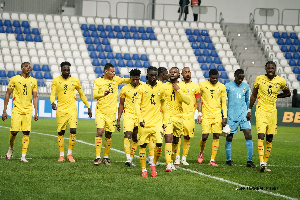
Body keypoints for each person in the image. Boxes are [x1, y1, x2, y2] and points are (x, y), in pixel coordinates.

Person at [247, 61, 291, 172]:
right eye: (268, 68)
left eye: (272, 68)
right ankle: (262, 162)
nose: (270, 70)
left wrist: (277, 96)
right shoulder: (259, 79)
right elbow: (253, 96)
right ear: (265, 69)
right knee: (261, 135)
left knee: (270, 138)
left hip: (272, 112)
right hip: (261, 110)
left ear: (275, 68)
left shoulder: (281, 81)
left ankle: (265, 163)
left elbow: (288, 93)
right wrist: (249, 110)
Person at [50, 61, 92, 162]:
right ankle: (61, 155)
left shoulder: (75, 80)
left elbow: (82, 94)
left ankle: (69, 154)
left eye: (68, 69)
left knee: (73, 130)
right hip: (61, 110)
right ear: (61, 70)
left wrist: (88, 107)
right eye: (64, 69)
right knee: (61, 132)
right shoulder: (56, 80)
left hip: (72, 110)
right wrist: (52, 102)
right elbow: (52, 93)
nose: (66, 71)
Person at [93, 63, 130, 165]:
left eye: (114, 71)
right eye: (112, 71)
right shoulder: (98, 81)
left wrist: (137, 80)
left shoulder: (116, 80)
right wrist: (103, 94)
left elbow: (127, 80)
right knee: (100, 132)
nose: (114, 73)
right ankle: (97, 157)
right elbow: (95, 94)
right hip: (100, 111)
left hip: (111, 113)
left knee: (109, 134)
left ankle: (106, 157)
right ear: (106, 71)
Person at [2, 62, 38, 162]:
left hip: (28, 110)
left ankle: (23, 156)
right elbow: (7, 94)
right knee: (14, 132)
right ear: (21, 68)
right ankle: (11, 148)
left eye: (30, 67)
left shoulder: (33, 81)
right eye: (26, 67)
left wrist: (36, 112)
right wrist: (4, 111)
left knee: (26, 132)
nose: (28, 68)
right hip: (17, 109)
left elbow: (35, 96)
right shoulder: (14, 79)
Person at [135, 66, 167, 177]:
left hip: (157, 122)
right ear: (147, 75)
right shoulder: (141, 88)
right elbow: (136, 104)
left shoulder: (161, 87)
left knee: (159, 144)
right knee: (143, 146)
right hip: (145, 123)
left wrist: (164, 120)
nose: (153, 77)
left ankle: (153, 164)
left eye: (155, 75)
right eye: (151, 75)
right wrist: (140, 119)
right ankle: (144, 169)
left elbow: (163, 104)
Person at [225, 69, 256, 168]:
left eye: (242, 78)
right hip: (231, 115)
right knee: (229, 137)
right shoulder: (228, 86)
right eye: (239, 78)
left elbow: (247, 100)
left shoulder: (245, 86)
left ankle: (249, 161)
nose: (240, 80)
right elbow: (222, 100)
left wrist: (248, 112)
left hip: (243, 115)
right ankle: (228, 160)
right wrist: (223, 114)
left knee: (248, 134)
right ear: (235, 75)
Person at [198, 69, 227, 166]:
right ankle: (201, 152)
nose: (215, 79)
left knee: (216, 136)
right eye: (213, 78)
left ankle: (212, 160)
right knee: (205, 136)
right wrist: (199, 113)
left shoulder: (222, 86)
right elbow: (198, 100)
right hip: (206, 115)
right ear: (209, 77)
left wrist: (224, 117)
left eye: (216, 78)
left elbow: (224, 103)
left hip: (217, 115)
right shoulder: (202, 85)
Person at [164, 67, 190, 171]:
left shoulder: (183, 86)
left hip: (179, 117)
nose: (172, 73)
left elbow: (188, 101)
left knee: (175, 141)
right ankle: (168, 164)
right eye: (171, 72)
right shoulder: (164, 86)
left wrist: (178, 90)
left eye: (174, 72)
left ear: (179, 74)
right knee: (168, 139)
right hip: (168, 117)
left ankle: (171, 161)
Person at [173, 67, 201, 166]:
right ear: (182, 74)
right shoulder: (178, 85)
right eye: (185, 72)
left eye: (189, 72)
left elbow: (198, 101)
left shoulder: (196, 86)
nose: (188, 74)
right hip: (179, 115)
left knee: (188, 137)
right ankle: (177, 157)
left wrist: (199, 114)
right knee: (178, 137)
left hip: (190, 116)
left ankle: (184, 158)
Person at [116, 69, 141, 167]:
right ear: (130, 78)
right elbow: (121, 104)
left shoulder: (143, 87)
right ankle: (127, 159)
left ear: (139, 78)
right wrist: (118, 119)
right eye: (133, 79)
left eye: (137, 79)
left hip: (139, 116)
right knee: (128, 135)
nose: (135, 81)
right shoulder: (125, 89)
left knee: (135, 138)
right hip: (128, 115)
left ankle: (130, 158)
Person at [146, 67, 169, 165]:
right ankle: (151, 158)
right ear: (163, 74)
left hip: (157, 115)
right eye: (167, 73)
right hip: (151, 116)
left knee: (154, 138)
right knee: (153, 138)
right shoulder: (156, 85)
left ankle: (150, 157)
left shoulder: (161, 85)